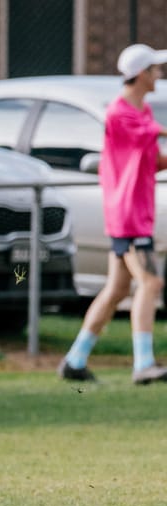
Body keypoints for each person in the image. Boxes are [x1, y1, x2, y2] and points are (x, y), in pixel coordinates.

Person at [58, 43, 167, 385]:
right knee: (151, 282)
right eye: (155, 69)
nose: (159, 75)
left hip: (134, 213)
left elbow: (153, 161)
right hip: (129, 215)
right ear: (141, 75)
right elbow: (151, 134)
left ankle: (75, 360)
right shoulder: (121, 113)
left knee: (117, 289)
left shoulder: (143, 113)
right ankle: (144, 364)